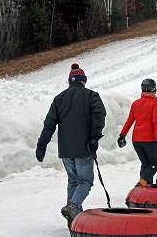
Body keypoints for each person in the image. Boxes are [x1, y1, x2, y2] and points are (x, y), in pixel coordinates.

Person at [36, 63, 107, 227]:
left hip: (66, 150)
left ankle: (73, 221)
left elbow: (49, 124)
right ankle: (73, 207)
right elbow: (99, 115)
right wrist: (94, 137)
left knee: (73, 182)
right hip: (84, 148)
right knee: (85, 182)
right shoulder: (92, 96)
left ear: (70, 82)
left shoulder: (59, 99)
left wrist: (42, 145)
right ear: (83, 81)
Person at [117, 78, 157, 187]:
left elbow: (129, 121)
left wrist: (122, 136)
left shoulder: (136, 103)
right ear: (154, 89)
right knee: (154, 164)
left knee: (145, 164)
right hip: (149, 140)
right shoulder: (155, 103)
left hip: (136, 140)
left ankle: (145, 190)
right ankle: (141, 184)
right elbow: (156, 121)